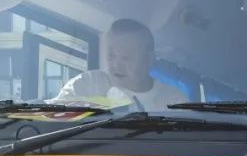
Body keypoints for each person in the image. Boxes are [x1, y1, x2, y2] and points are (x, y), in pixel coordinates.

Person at [51, 19, 186, 111]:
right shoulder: (86, 85)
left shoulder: (174, 103)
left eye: (126, 58)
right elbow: (53, 118)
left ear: (148, 60)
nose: (116, 65)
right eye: (111, 56)